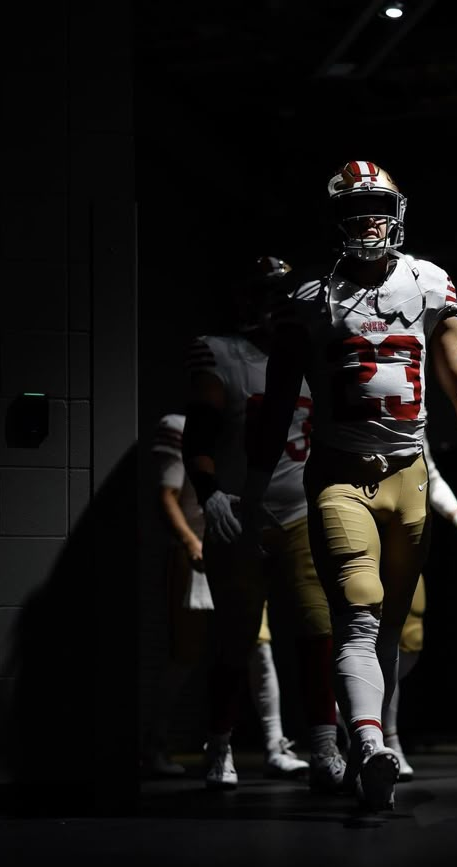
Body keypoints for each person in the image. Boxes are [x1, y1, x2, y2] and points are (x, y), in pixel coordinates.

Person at [240, 160, 457, 812]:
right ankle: (368, 744)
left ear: (399, 209)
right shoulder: (308, 300)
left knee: (388, 623)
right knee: (358, 610)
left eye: (378, 204)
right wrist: (253, 483)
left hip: (408, 474)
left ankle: (377, 734)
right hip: (340, 474)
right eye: (356, 207)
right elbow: (278, 402)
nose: (370, 217)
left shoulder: (427, 282)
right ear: (336, 219)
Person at [182, 256, 346, 792]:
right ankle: (220, 746)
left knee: (319, 630)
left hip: (301, 508)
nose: (275, 307)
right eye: (266, 295)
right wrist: (210, 495)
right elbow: (201, 432)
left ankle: (324, 744)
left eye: (283, 295)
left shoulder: (316, 357)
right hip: (242, 511)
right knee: (236, 638)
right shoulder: (222, 354)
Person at [141, 412, 309, 784]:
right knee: (186, 653)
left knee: (259, 648)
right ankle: (154, 744)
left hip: (237, 548)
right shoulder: (179, 426)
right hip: (198, 550)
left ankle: (273, 745)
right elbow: (166, 495)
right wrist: (190, 542)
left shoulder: (242, 425)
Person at [382, 431, 457, 781]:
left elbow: (431, 475)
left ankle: (357, 709)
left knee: (407, 644)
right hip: (363, 534)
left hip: (403, 543)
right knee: (363, 638)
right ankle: (383, 736)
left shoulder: (414, 419)